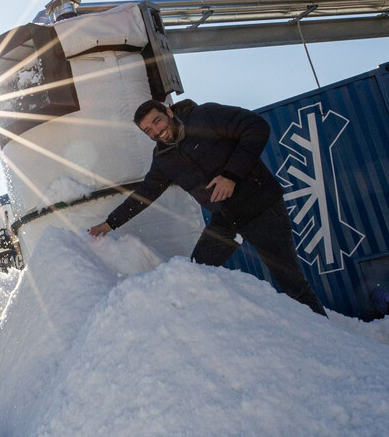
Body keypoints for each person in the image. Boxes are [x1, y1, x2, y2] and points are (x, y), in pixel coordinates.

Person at [89, 99, 327, 316]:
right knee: (196, 272)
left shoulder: (205, 116)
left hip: (261, 208)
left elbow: (256, 126)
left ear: (169, 112)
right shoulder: (164, 159)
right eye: (148, 131)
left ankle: (329, 340)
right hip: (226, 221)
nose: (157, 131)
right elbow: (145, 194)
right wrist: (110, 223)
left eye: (157, 121)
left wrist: (230, 175)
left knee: (292, 285)